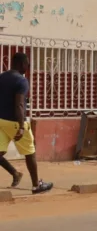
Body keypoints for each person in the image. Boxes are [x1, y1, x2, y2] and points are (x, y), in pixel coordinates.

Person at [0, 52, 53, 194]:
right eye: (27, 64)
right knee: (30, 153)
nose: (28, 67)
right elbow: (19, 105)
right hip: (15, 122)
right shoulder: (21, 81)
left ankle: (15, 173)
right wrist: (21, 126)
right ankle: (36, 185)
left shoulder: (2, 77)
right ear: (22, 64)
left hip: (1, 121)